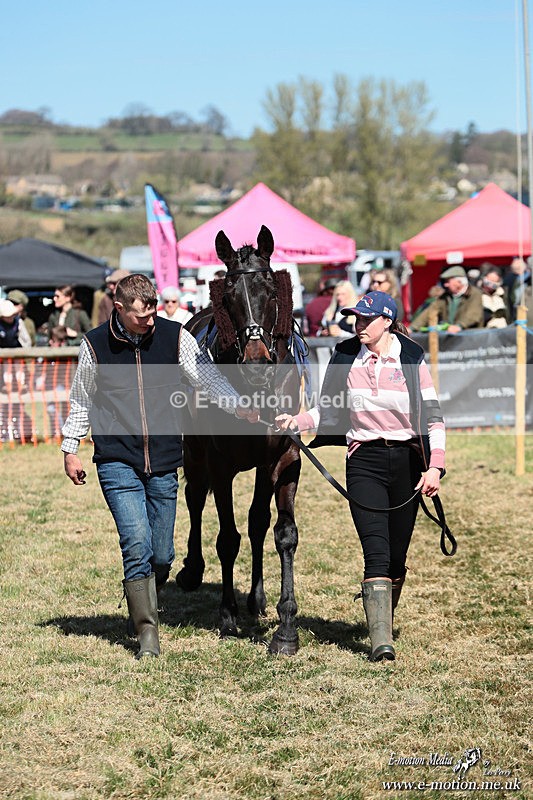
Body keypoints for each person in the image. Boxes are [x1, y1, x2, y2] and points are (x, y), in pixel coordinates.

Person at [61, 274, 259, 660]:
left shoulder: (176, 336)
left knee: (163, 555)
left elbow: (207, 377)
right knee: (136, 543)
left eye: (153, 311)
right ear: (119, 308)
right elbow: (81, 398)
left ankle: (143, 590)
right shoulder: (95, 345)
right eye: (141, 316)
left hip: (167, 459)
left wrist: (238, 405)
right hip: (117, 458)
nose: (150, 320)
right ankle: (147, 633)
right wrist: (71, 447)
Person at [276, 291, 445, 662]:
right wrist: (298, 421)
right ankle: (381, 643)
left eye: (367, 319)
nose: (359, 325)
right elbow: (328, 409)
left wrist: (435, 466)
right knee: (377, 553)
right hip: (363, 460)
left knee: (397, 556)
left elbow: (433, 417)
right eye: (356, 319)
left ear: (388, 321)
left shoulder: (412, 357)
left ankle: (382, 614)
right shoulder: (347, 355)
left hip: (407, 462)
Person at [410, 266, 484, 333]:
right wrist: (412, 328)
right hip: (451, 338)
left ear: (459, 282)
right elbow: (430, 311)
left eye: (448, 281)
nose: (445, 285)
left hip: (471, 337)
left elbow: (473, 314)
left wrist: (459, 326)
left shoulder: (475, 294)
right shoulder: (445, 296)